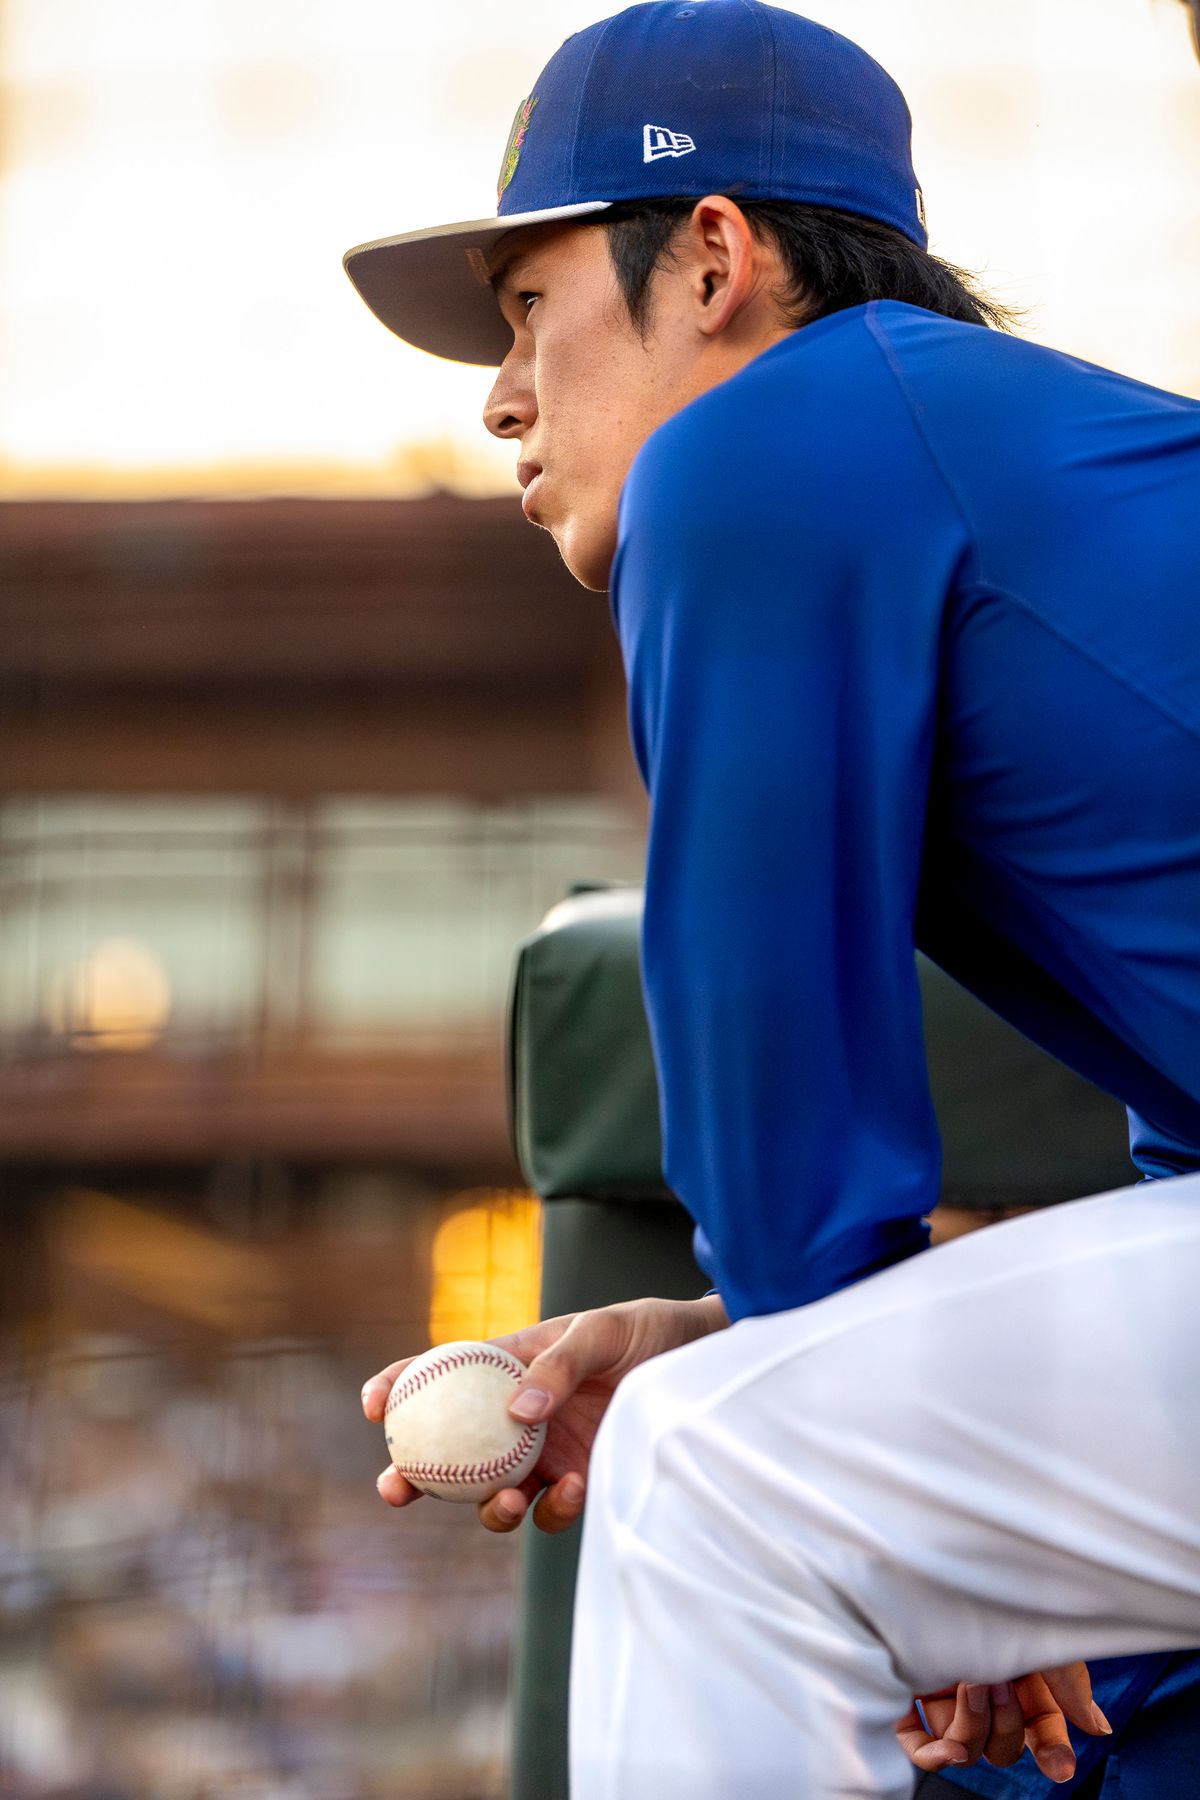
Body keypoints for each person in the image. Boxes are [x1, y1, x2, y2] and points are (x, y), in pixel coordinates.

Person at [346, 4, 1200, 1795]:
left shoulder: (766, 449)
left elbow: (780, 1141)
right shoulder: (993, 452)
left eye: (527, 313)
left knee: (716, 1473)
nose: (500, 396)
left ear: (715, 257)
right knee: (1115, 1719)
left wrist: (901, 1467)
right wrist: (753, 1339)